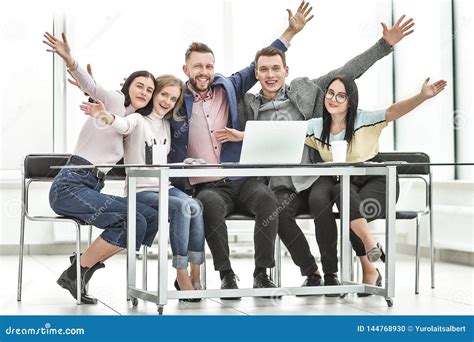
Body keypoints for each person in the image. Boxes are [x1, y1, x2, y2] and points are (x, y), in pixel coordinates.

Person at [216, 15, 415, 292]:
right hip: (281, 184)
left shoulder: (306, 91)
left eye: (276, 68)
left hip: (314, 177)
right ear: (257, 74)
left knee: (322, 202)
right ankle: (311, 271)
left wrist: (383, 45)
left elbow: (348, 72)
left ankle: (332, 273)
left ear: (286, 70)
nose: (270, 74)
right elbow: (221, 91)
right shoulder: (246, 104)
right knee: (278, 213)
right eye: (263, 70)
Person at [168, 1, 313, 297]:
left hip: (241, 180)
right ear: (186, 69)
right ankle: (226, 274)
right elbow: (145, 104)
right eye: (198, 66)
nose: (204, 71)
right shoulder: (175, 99)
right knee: (208, 206)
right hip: (208, 186)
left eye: (209, 65)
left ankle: (262, 273)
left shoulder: (229, 87)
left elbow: (257, 65)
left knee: (268, 201)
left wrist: (290, 32)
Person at [43, 32, 159, 304]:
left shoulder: (131, 123)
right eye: (139, 85)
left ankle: (80, 267)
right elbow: (91, 85)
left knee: (148, 217)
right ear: (128, 86)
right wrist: (70, 59)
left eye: (149, 90)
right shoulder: (114, 101)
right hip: (70, 185)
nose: (144, 92)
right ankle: (80, 269)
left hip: (92, 186)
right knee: (133, 221)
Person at [304, 75, 446, 295]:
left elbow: (394, 111)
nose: (333, 98)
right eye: (330, 93)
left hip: (378, 179)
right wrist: (241, 136)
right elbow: (283, 134)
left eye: (341, 95)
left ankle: (369, 263)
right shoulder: (316, 127)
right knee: (342, 195)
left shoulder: (364, 119)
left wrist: (422, 96)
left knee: (350, 209)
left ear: (350, 101)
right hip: (345, 184)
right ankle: (370, 249)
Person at [81, 75, 205, 302]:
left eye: (173, 98)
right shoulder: (138, 120)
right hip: (141, 191)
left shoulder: (167, 126)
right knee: (181, 206)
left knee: (195, 205)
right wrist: (105, 115)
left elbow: (160, 160)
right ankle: (180, 272)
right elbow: (122, 123)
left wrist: (187, 163)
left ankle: (195, 271)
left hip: (163, 187)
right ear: (155, 94)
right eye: (164, 95)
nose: (167, 101)